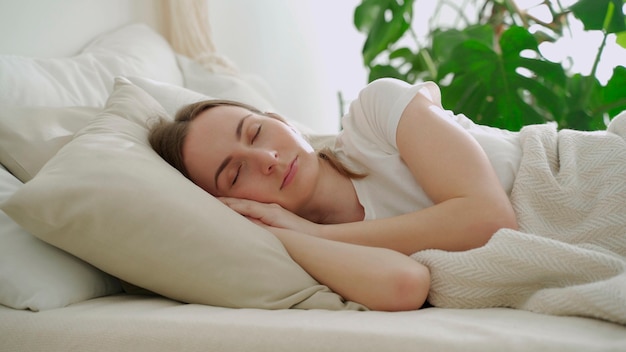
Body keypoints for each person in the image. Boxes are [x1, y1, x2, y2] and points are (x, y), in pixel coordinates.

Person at [148, 78, 519, 311]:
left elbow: (489, 220)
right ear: (234, 206)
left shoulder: (376, 115)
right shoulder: (297, 251)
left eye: (257, 132)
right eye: (236, 173)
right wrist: (281, 234)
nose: (267, 159)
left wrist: (316, 234)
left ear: (280, 120)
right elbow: (405, 284)